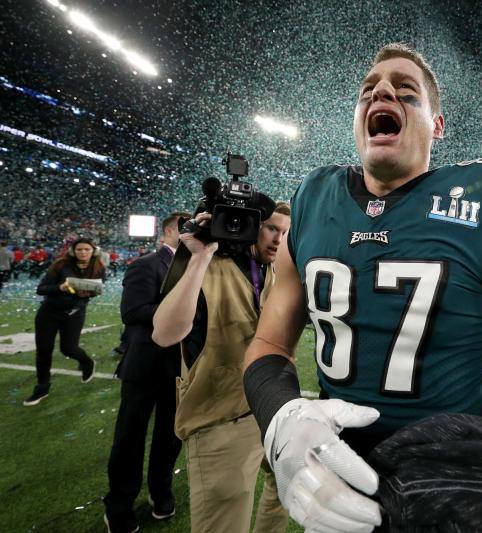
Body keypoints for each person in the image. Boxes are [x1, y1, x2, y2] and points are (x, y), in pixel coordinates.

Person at [242, 43, 482, 533]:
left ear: (436, 126)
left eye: (406, 91)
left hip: (455, 478)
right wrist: (281, 419)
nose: (382, 92)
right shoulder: (314, 201)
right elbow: (269, 343)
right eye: (369, 90)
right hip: (338, 471)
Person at [152, 202, 291, 533]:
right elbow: (164, 334)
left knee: (289, 481)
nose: (278, 239)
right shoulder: (210, 266)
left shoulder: (274, 270)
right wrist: (199, 256)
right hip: (221, 420)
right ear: (250, 225)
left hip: (267, 410)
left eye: (285, 232)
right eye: (272, 228)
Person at [103, 212, 190, 533]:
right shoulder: (147, 264)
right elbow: (132, 311)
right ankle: (119, 504)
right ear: (168, 231)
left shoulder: (195, 266)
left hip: (179, 367)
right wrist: (181, 311)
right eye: (186, 228)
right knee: (130, 438)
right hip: (145, 366)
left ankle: (160, 491)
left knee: (171, 436)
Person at [23, 238, 106, 406]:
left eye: (87, 249)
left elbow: (96, 291)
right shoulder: (60, 265)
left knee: (68, 349)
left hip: (74, 313)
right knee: (44, 349)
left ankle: (87, 362)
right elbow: (41, 289)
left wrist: (85, 293)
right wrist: (59, 288)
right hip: (49, 312)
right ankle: (42, 386)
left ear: (94, 251)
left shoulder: (98, 267)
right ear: (73, 251)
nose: (83, 252)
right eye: (79, 249)